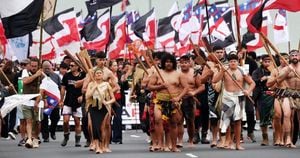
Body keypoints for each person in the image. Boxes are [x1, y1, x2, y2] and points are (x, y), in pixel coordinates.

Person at [212, 54, 255, 150]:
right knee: (226, 120)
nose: (233, 63)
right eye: (231, 61)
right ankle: (227, 141)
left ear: (238, 62)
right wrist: (221, 71)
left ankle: (237, 144)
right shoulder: (225, 70)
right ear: (228, 62)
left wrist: (248, 91)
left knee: (237, 121)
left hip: (239, 97)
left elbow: (252, 83)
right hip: (227, 97)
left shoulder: (242, 71)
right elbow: (214, 80)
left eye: (234, 61)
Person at [148, 53, 188, 152]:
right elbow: (149, 86)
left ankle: (173, 146)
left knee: (173, 123)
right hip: (160, 100)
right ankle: (160, 143)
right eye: (166, 62)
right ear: (163, 63)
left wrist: (178, 97)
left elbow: (186, 88)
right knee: (158, 120)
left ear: (173, 63)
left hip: (173, 101)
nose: (168, 64)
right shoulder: (158, 73)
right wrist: (160, 87)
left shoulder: (178, 74)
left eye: (170, 62)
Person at [85, 68, 116, 154]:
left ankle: (103, 145)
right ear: (94, 76)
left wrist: (107, 102)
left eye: (100, 73)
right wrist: (94, 87)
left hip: (104, 107)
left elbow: (113, 98)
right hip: (93, 107)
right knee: (95, 127)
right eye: (97, 73)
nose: (98, 74)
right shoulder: (91, 84)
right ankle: (97, 146)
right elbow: (87, 96)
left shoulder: (106, 84)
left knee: (102, 127)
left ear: (102, 75)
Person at [177, 55, 204, 147]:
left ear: (189, 63)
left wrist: (194, 92)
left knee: (190, 121)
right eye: (182, 63)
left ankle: (191, 140)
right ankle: (179, 141)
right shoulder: (176, 74)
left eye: (186, 62)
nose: (184, 64)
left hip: (191, 100)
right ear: (179, 64)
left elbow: (202, 86)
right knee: (179, 121)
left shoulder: (195, 73)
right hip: (179, 99)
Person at [276, 50, 300, 148]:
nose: (294, 57)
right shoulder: (286, 68)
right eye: (292, 55)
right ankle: (288, 139)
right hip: (288, 93)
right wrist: (287, 71)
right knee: (286, 115)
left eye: (296, 55)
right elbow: (278, 80)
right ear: (289, 57)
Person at [60, 60, 86, 147]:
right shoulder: (67, 75)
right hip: (68, 100)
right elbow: (63, 88)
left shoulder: (83, 75)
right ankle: (66, 136)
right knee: (65, 121)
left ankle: (77, 140)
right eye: (70, 66)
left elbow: (86, 87)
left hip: (78, 101)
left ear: (78, 67)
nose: (70, 67)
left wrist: (83, 96)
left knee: (77, 121)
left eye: (72, 66)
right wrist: (61, 100)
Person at [267, 53, 289, 146]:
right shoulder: (275, 70)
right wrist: (277, 77)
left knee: (288, 117)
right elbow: (269, 84)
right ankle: (278, 137)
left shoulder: (292, 69)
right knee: (277, 116)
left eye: (286, 59)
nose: (284, 60)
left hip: (289, 94)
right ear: (279, 60)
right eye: (281, 59)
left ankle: (287, 138)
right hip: (278, 94)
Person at [252, 55, 274, 146]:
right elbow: (254, 82)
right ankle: (265, 138)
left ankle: (277, 136)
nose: (267, 63)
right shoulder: (257, 71)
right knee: (263, 117)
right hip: (262, 95)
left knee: (276, 116)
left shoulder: (275, 70)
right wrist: (262, 79)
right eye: (266, 61)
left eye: (269, 61)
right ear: (262, 61)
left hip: (275, 94)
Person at [22, 58, 44, 148]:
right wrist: (36, 75)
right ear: (29, 65)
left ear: (38, 66)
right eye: (32, 66)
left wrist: (37, 101)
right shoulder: (25, 72)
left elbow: (42, 89)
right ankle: (29, 139)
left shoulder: (42, 75)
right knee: (29, 120)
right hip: (27, 100)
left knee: (38, 122)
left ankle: (35, 138)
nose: (33, 68)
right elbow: (25, 81)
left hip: (38, 101)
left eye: (35, 66)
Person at [40, 61, 61, 142]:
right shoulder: (40, 76)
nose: (47, 70)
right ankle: (45, 136)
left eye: (48, 68)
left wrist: (60, 99)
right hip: (43, 101)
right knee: (44, 119)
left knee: (56, 117)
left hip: (55, 101)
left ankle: (52, 131)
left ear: (52, 67)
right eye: (45, 68)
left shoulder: (56, 76)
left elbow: (60, 88)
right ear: (42, 68)